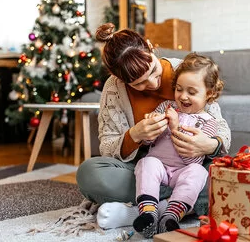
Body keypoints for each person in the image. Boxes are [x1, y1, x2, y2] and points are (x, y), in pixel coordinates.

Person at [75, 23, 231, 230]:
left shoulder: (186, 71)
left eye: (153, 71)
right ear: (119, 79)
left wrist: (210, 145)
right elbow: (106, 147)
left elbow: (219, 127)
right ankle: (183, 202)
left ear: (150, 46)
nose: (152, 83)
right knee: (89, 173)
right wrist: (135, 135)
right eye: (138, 83)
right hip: (147, 168)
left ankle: (145, 209)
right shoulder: (113, 89)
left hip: (193, 167)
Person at [133, 52, 223, 237]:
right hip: (159, 166)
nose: (183, 96)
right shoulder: (165, 107)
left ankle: (171, 214)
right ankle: (148, 211)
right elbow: (149, 142)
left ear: (210, 93)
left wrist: (174, 127)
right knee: (146, 163)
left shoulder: (209, 122)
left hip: (184, 169)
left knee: (199, 173)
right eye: (179, 89)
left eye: (192, 92)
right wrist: (149, 128)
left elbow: (193, 158)